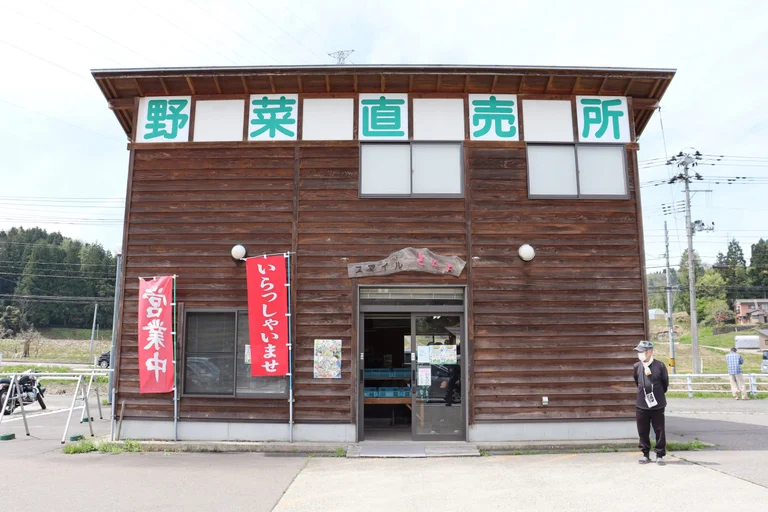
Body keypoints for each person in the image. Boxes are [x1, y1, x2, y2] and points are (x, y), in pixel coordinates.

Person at [633, 340, 669, 466]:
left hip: (657, 404)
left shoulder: (660, 366)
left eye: (641, 351)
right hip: (641, 404)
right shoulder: (637, 366)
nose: (639, 354)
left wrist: (657, 393)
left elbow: (665, 384)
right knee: (642, 430)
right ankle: (645, 454)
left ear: (649, 352)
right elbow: (637, 382)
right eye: (638, 352)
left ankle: (660, 455)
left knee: (659, 430)